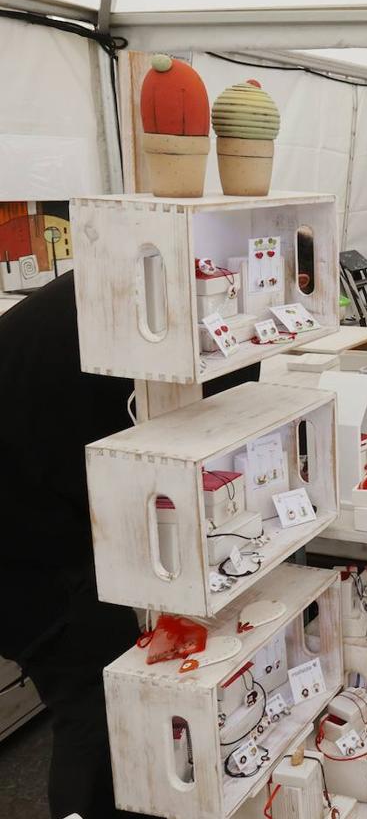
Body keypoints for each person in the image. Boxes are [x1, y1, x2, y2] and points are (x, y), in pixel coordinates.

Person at [0, 273, 257, 819]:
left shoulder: (131, 298)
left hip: (46, 512)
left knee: (110, 691)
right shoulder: (145, 344)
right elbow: (144, 479)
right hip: (25, 553)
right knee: (95, 707)